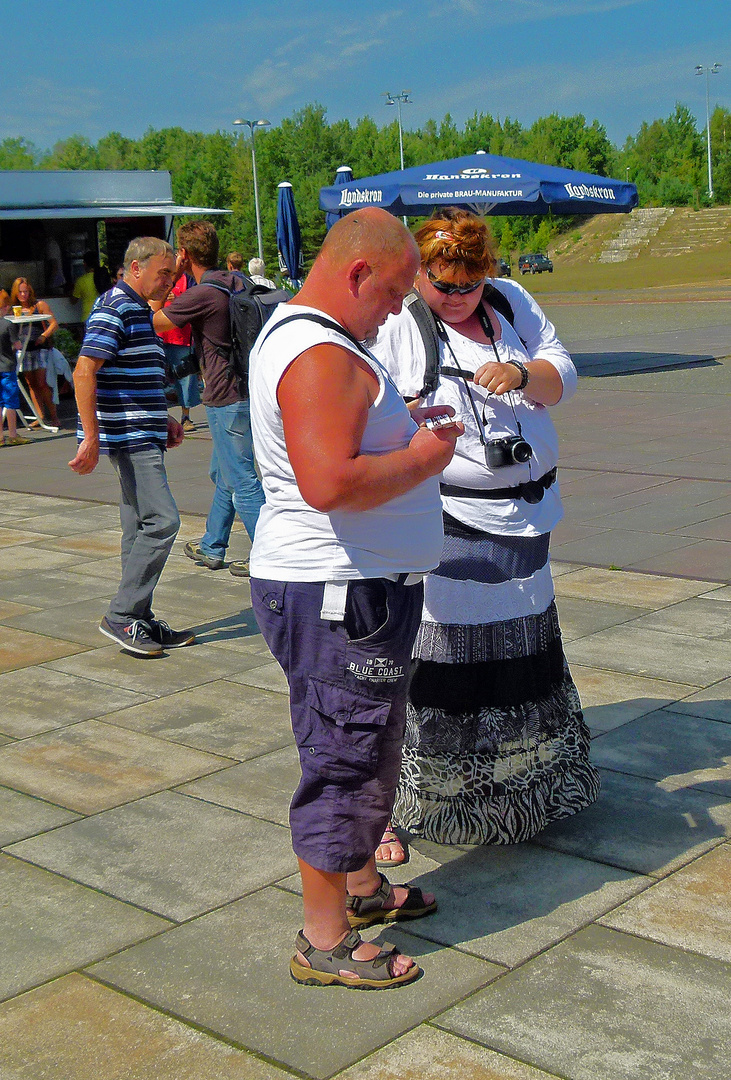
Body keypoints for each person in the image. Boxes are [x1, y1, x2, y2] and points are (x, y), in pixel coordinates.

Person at [248, 206, 462, 989]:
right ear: (356, 274)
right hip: (338, 594)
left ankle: (362, 890)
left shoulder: (312, 339)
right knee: (345, 758)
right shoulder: (319, 352)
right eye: (397, 291)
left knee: (367, 745)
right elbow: (329, 483)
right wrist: (424, 454)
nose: (401, 308)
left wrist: (398, 426)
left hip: (353, 589)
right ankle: (324, 939)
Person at [371, 208, 600, 855]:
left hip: (526, 515)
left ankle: (513, 793)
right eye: (443, 286)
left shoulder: (511, 301)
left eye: (468, 285)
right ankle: (389, 803)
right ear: (417, 272)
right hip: (443, 518)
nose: (457, 298)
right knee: (431, 662)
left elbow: (564, 374)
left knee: (515, 650)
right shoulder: (394, 326)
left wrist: (525, 374)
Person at [69, 237, 194, 658]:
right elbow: (85, 370)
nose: (169, 283)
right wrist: (90, 436)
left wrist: (164, 419)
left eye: (173, 276)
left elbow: (131, 377)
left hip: (144, 432)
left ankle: (136, 618)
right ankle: (123, 614)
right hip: (129, 438)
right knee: (162, 522)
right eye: (164, 274)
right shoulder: (116, 306)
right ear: (135, 268)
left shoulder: (139, 308)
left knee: (139, 527)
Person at [153, 221, 265, 578]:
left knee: (243, 479)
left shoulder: (202, 293)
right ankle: (212, 545)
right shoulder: (237, 282)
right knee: (225, 473)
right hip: (248, 390)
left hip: (223, 396)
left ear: (185, 254)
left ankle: (270, 554)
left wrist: (170, 280)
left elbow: (155, 320)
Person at [9, 277, 60, 430]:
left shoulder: (39, 305)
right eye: (20, 292)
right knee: (31, 384)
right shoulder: (13, 309)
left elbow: (54, 324)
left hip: (39, 347)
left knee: (42, 383)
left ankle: (54, 416)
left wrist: (44, 336)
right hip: (24, 348)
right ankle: (40, 416)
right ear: (15, 294)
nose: (23, 295)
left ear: (30, 291)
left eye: (25, 291)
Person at [157, 273, 201, 433]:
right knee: (156, 378)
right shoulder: (156, 276)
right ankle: (159, 417)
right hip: (160, 335)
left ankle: (185, 416)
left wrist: (177, 300)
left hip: (181, 336)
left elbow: (195, 302)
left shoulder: (188, 280)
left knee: (185, 378)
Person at [0, 291, 30, 446]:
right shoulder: (8, 325)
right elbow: (17, 345)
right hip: (7, 366)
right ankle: (12, 434)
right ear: (5, 308)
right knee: (10, 401)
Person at [71, 251, 101, 323]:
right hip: (103, 315)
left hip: (87, 317)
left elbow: (73, 301)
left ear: (85, 264)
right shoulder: (104, 277)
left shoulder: (81, 280)